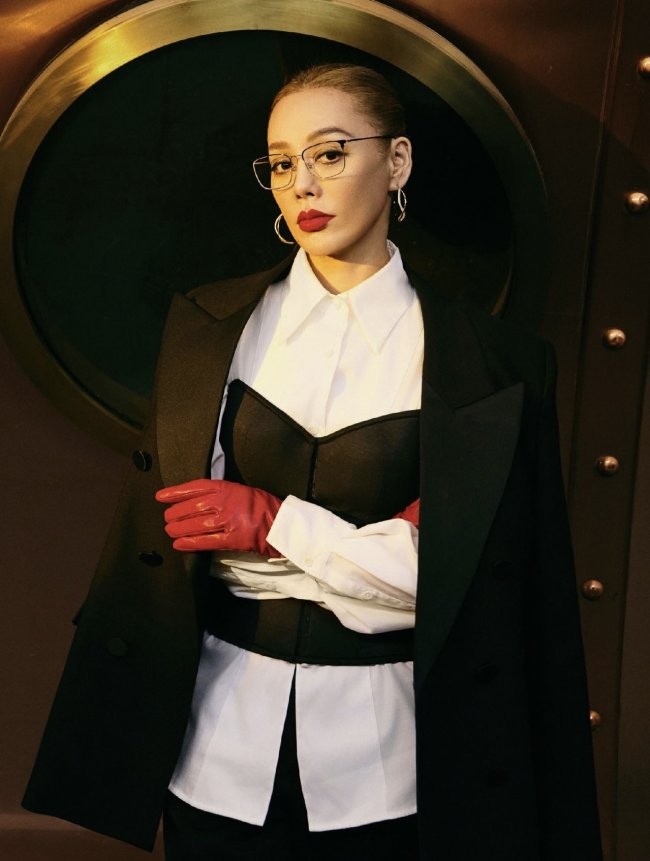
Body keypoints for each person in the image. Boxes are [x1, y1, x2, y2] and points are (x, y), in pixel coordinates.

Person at [23, 63, 602, 860]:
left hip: (395, 767)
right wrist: (373, 558)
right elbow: (193, 546)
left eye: (330, 153)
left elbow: (454, 582)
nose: (302, 184)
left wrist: (270, 524)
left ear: (397, 162)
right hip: (214, 750)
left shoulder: (496, 364)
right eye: (281, 162)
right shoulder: (204, 326)